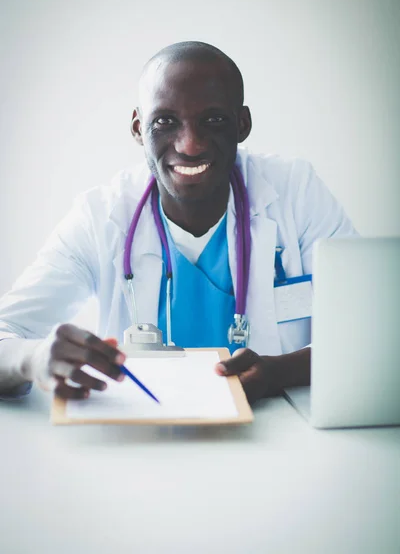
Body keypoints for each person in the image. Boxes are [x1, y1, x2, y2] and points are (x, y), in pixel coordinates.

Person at [0, 41, 356, 404]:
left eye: (213, 120)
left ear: (242, 123)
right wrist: (31, 358)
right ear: (139, 128)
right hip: (140, 440)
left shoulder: (295, 192)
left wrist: (278, 371)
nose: (190, 145)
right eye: (165, 122)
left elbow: (372, 330)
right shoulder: (101, 217)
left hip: (279, 431)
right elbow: (5, 334)